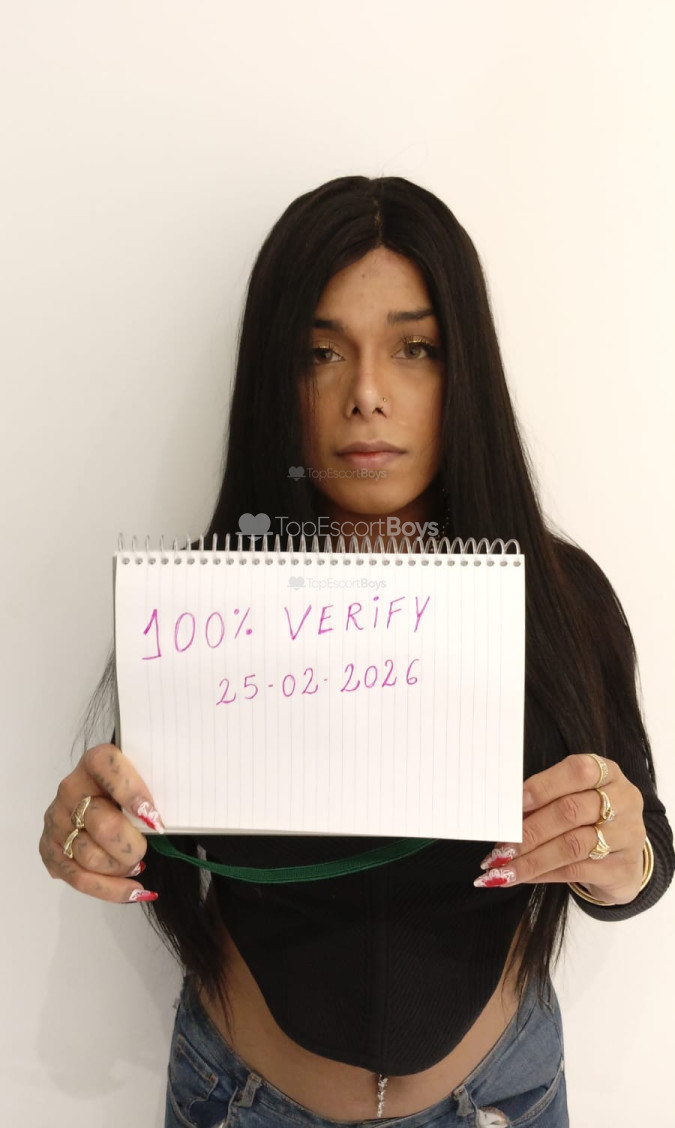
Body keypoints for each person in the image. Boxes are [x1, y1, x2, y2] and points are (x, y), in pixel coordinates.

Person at [40, 176, 674, 1127]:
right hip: (241, 1096)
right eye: (321, 353)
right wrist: (95, 840)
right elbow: (155, 851)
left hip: (501, 1093)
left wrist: (618, 857)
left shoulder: (558, 595)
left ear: (464, 371)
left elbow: (642, 851)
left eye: (414, 349)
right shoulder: (207, 605)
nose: (366, 396)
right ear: (275, 378)